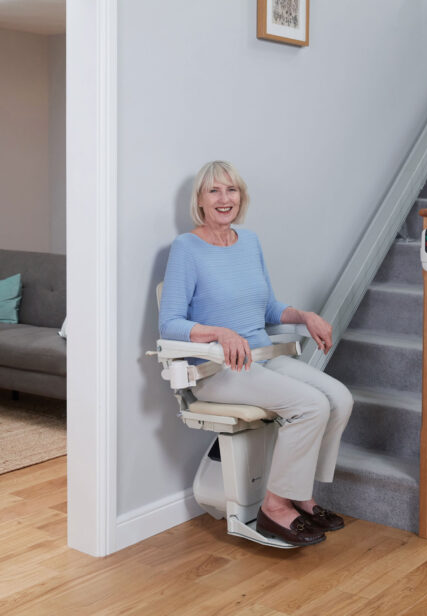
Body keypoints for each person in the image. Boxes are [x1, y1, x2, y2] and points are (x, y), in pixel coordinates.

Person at [159, 160, 353, 546]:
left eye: (231, 190)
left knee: (340, 399)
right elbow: (169, 325)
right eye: (213, 190)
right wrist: (218, 332)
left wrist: (303, 315)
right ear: (199, 199)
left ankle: (299, 494)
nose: (224, 198)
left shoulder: (249, 243)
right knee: (311, 405)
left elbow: (266, 310)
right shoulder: (187, 248)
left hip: (262, 358)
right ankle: (275, 507)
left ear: (241, 197)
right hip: (218, 372)